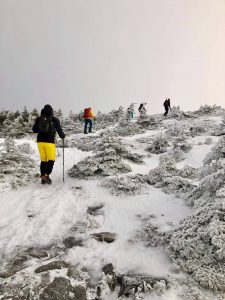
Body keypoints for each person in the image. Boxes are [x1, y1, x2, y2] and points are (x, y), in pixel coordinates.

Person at [32, 104, 65, 184]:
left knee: (43, 160)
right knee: (51, 160)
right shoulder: (54, 119)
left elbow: (34, 130)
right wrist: (62, 136)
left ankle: (43, 178)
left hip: (40, 142)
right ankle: (46, 175)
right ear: (51, 110)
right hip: (49, 142)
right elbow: (59, 131)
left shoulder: (39, 119)